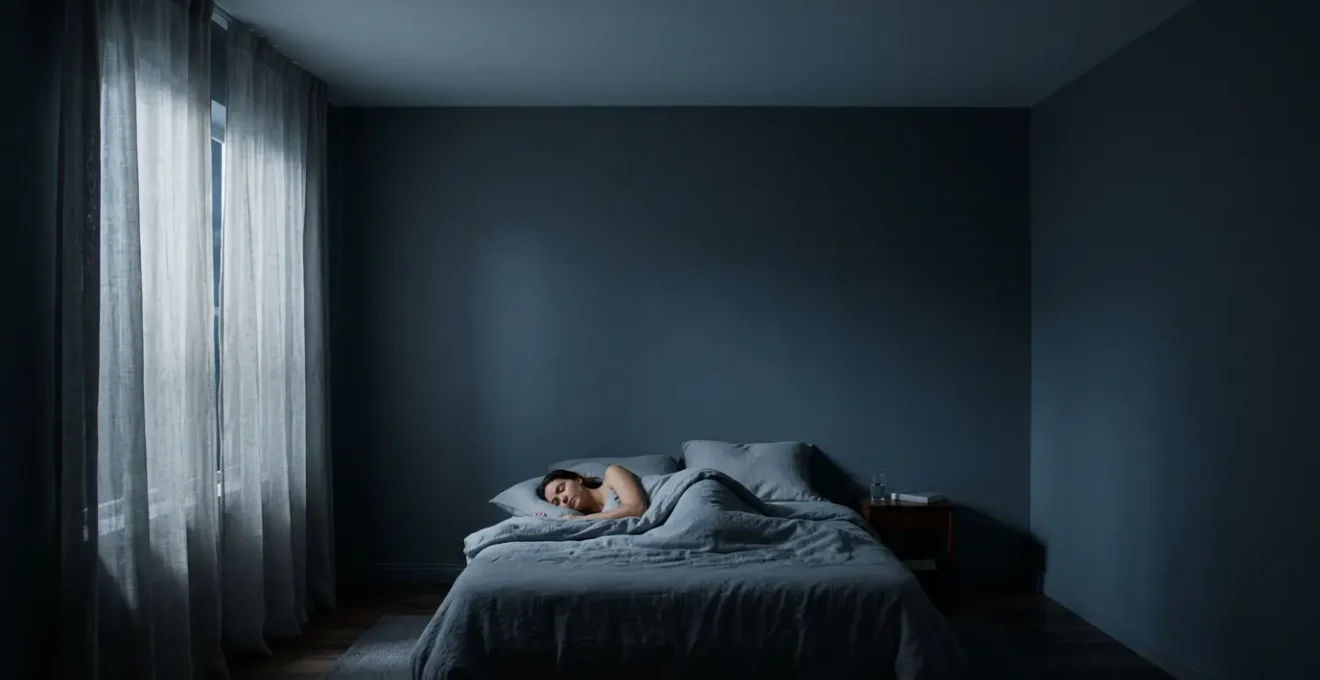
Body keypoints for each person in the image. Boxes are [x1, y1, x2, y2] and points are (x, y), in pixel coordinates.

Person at [535, 465, 648, 520]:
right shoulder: (588, 522)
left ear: (577, 479)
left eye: (561, 489)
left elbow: (637, 508)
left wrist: (578, 520)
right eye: (557, 502)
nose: (563, 499)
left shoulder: (612, 473)